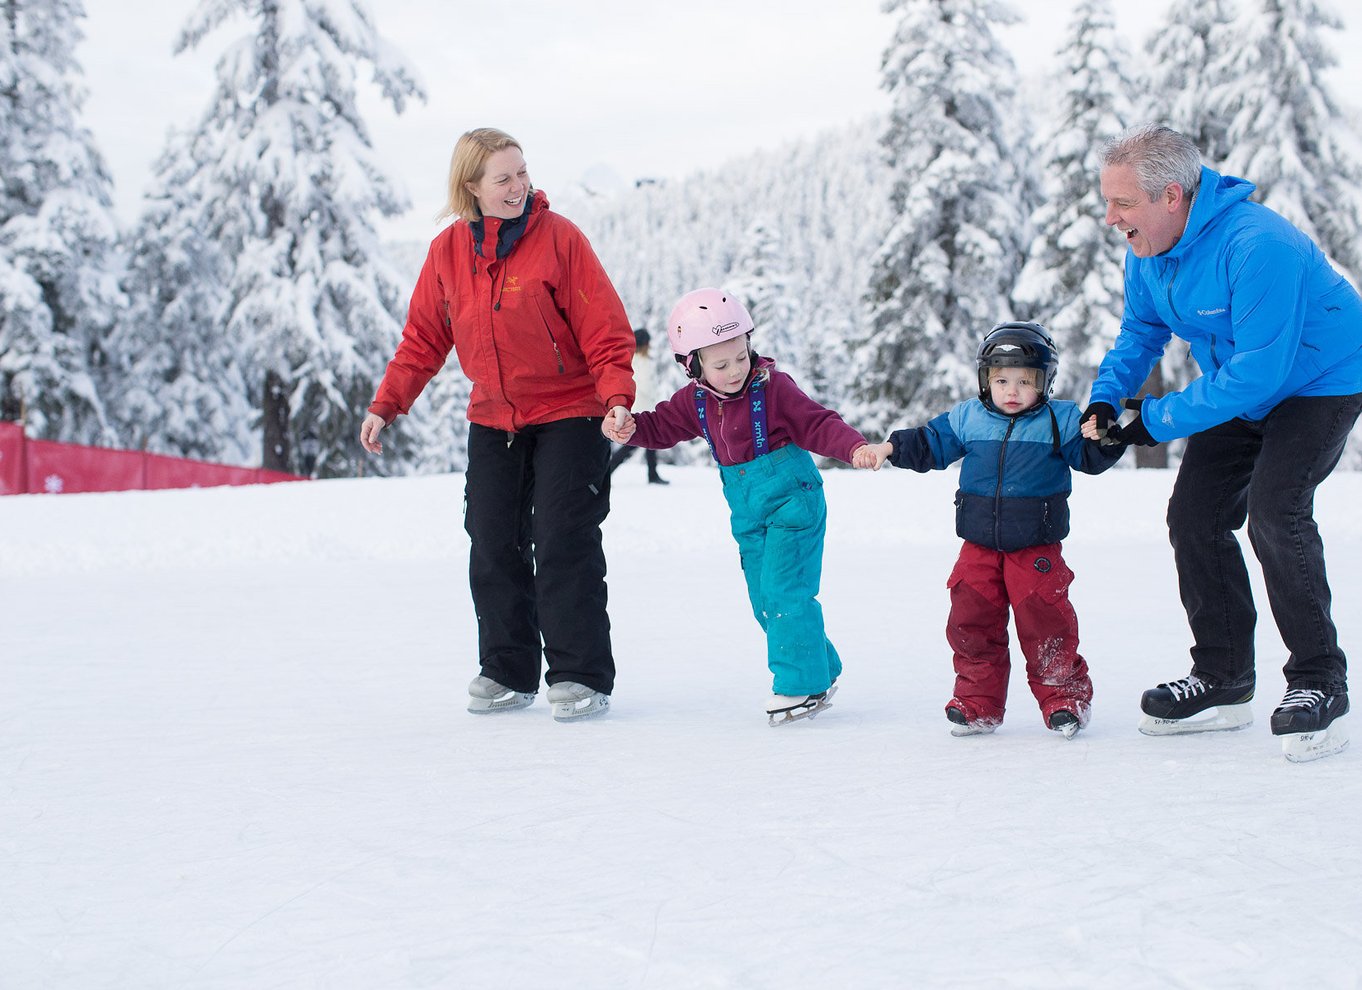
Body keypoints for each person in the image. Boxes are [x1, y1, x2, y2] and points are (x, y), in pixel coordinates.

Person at [1086, 123, 1362, 761]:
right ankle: (1224, 676)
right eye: (1108, 201)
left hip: (1319, 382)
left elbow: (1262, 372)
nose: (1110, 218)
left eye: (1122, 203)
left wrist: (1152, 422)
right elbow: (1139, 333)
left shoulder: (1257, 245)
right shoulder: (1149, 250)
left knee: (1274, 509)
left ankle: (1320, 681)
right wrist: (1107, 398)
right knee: (1194, 515)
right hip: (1240, 386)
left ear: (1173, 196)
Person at [359, 127, 636, 723]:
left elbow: (604, 328)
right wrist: (386, 404)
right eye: (502, 178)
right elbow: (423, 339)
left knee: (562, 538)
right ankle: (508, 672)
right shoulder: (447, 253)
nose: (518, 186)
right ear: (472, 187)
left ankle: (580, 676)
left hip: (571, 409)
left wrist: (616, 396)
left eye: (521, 172)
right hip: (494, 417)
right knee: (491, 541)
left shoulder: (559, 239)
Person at [605, 288, 870, 725]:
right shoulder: (695, 402)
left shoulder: (775, 389)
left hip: (794, 502)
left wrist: (854, 447)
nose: (734, 371)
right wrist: (630, 428)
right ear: (694, 366)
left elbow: (817, 422)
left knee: (786, 592)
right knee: (764, 600)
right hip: (747, 511)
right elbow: (661, 427)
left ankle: (800, 685)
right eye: (720, 364)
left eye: (741, 358)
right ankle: (817, 668)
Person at [856, 323, 1125, 738]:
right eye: (1001, 380)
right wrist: (889, 448)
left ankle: (1063, 698)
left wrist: (1107, 439)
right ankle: (977, 702)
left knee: (1045, 623)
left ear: (1045, 382)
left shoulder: (1059, 420)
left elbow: (1089, 457)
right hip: (978, 547)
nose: (1011, 390)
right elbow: (931, 442)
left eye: (1024, 381)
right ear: (986, 380)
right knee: (970, 621)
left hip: (1035, 548)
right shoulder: (969, 417)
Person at [606, 329, 668, 484]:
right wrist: (655, 394)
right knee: (633, 444)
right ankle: (607, 472)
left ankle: (652, 474)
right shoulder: (644, 361)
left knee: (649, 443)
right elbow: (647, 384)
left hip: (634, 407)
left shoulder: (629, 359)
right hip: (644, 408)